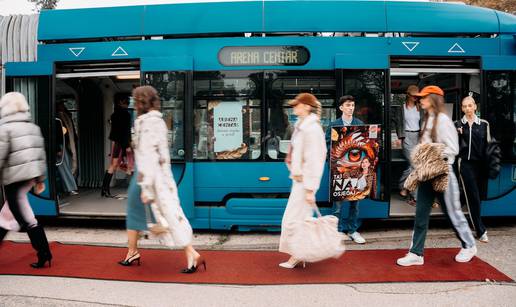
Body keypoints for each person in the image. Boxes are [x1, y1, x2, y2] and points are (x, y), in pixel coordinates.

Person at [119, 86, 205, 274]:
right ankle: (132, 251)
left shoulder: (148, 123)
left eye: (135, 100)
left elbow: (149, 156)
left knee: (166, 215)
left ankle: (191, 253)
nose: (133, 104)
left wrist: (147, 189)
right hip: (151, 176)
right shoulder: (153, 121)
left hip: (149, 178)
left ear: (142, 102)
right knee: (150, 214)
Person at [397, 86, 477, 266]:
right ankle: (416, 253)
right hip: (427, 173)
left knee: (453, 213)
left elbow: (453, 149)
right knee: (421, 214)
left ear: (433, 98)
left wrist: (430, 153)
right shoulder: (428, 119)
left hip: (442, 173)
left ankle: (469, 245)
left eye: (424, 97)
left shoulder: (443, 120)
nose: (420, 100)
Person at [0, 92, 52, 268]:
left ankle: (44, 253)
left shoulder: (5, 128)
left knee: (26, 219)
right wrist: (40, 179)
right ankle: (45, 252)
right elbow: (40, 155)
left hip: (14, 179)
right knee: (6, 215)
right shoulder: (33, 127)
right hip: (29, 177)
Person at [279, 93, 328, 268]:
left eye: (297, 105)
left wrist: (310, 189)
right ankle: (299, 254)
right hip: (299, 181)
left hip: (305, 183)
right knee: (297, 219)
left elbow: (316, 159)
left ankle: (298, 255)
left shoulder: (312, 129)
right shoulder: (302, 126)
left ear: (306, 106)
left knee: (295, 220)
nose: (294, 107)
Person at [325, 95, 366, 244]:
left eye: (353, 105)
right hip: (339, 169)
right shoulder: (333, 125)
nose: (351, 108)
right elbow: (327, 144)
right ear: (341, 107)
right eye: (348, 105)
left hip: (356, 169)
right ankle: (336, 232)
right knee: (338, 203)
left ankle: (352, 230)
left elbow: (365, 145)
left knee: (355, 202)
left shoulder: (360, 124)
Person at [456, 95, 490, 243]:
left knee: (477, 195)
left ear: (475, 107)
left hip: (481, 165)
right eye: (465, 106)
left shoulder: (484, 124)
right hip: (465, 164)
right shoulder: (457, 124)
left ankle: (456, 213)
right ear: (462, 109)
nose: (468, 109)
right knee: (473, 196)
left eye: (470, 105)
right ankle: (480, 230)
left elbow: (489, 146)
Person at [101, 94, 132, 198]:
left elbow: (116, 132)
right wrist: (127, 145)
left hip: (116, 142)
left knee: (113, 165)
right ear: (121, 103)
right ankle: (132, 190)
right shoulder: (126, 114)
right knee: (129, 165)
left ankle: (104, 189)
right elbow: (125, 132)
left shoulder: (114, 115)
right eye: (126, 102)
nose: (127, 104)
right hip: (122, 143)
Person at [398, 85, 422, 206]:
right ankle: (415, 197)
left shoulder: (420, 108)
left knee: (414, 167)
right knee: (415, 166)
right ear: (408, 95)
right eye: (414, 96)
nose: (416, 98)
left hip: (418, 137)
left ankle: (403, 186)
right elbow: (398, 123)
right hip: (407, 136)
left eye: (417, 96)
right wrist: (400, 138)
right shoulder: (402, 108)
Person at [56, 101, 78, 195]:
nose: (63, 105)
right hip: (61, 145)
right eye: (61, 104)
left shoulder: (64, 116)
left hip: (66, 143)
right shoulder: (57, 117)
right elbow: (55, 133)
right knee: (64, 166)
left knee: (68, 164)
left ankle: (70, 187)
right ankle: (69, 188)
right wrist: (57, 148)